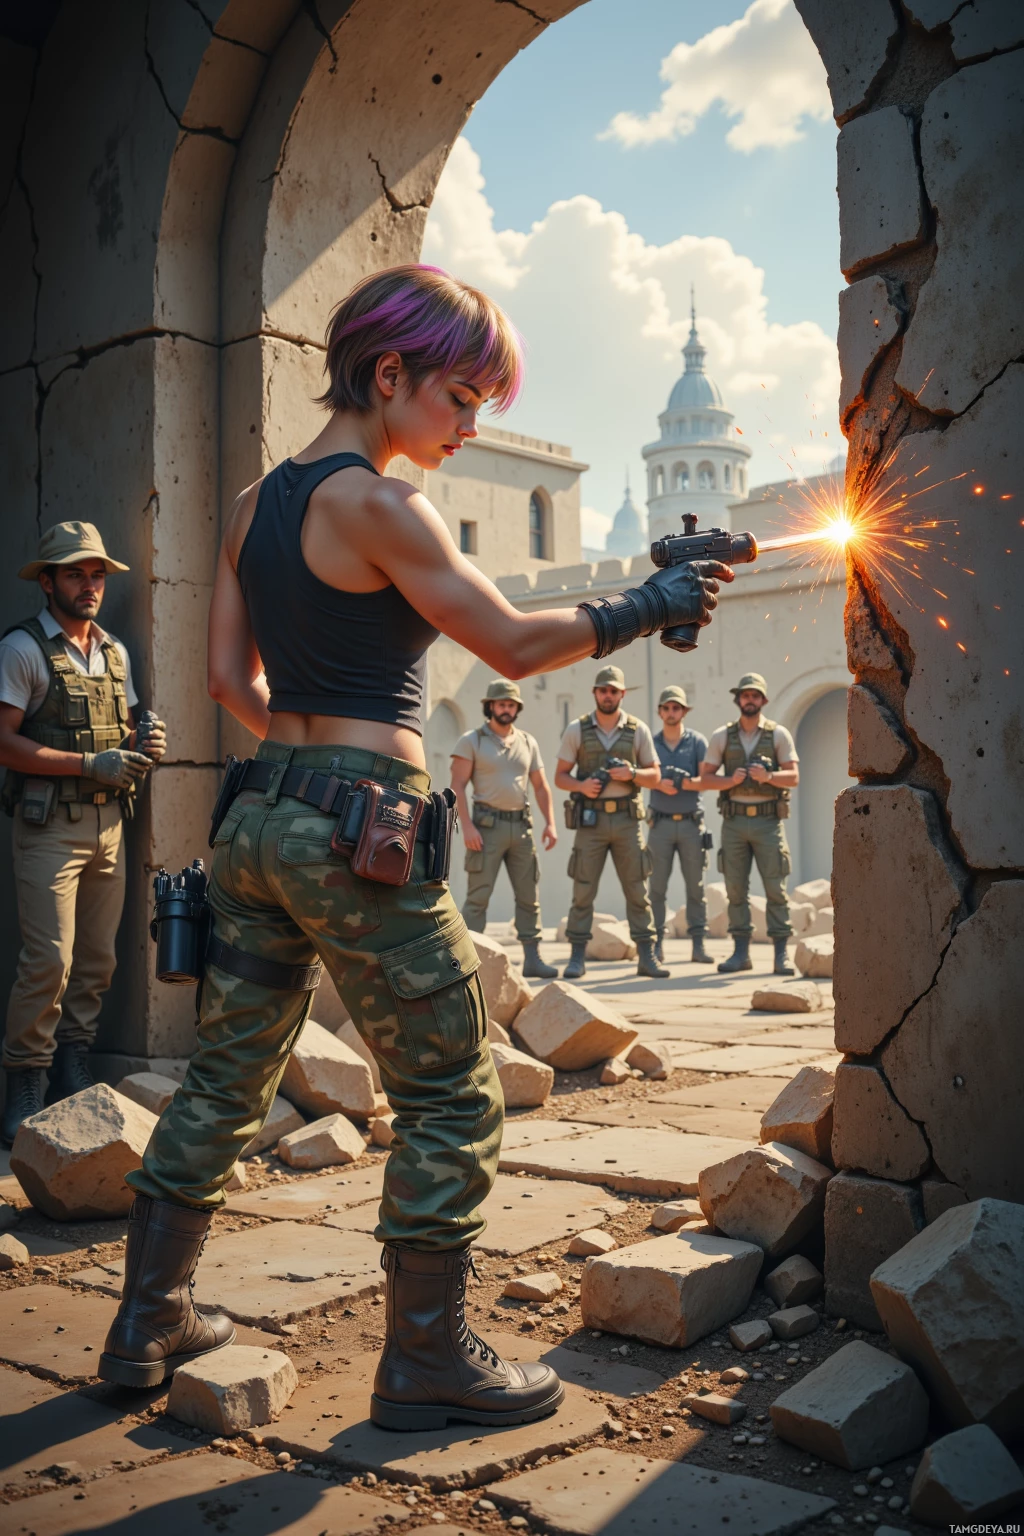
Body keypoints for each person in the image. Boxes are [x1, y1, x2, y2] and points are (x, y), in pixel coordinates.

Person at [99, 265, 730, 1424]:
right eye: (461, 395)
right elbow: (509, 644)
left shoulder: (254, 503)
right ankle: (427, 1361)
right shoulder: (383, 504)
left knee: (228, 1075)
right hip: (355, 828)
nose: (471, 424)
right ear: (386, 373)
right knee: (450, 1090)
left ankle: (146, 1323)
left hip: (256, 819)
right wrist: (650, 601)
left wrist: (300, 767)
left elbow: (224, 681)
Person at [0, 523, 165, 1147]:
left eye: (97, 574)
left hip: (107, 828)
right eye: (75, 573)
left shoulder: (114, 653)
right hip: (49, 830)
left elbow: (121, 734)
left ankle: (74, 1067)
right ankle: (25, 1083)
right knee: (50, 962)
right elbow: (3, 742)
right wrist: (83, 764)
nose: (90, 585)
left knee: (97, 962)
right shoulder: (22, 650)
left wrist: (143, 743)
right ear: (47, 582)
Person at [554, 666, 668, 981]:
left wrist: (631, 774)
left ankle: (647, 956)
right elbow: (560, 776)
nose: (608, 695)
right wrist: (581, 786)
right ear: (595, 693)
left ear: (622, 694)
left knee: (636, 889)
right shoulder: (577, 729)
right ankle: (577, 957)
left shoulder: (638, 729)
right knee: (583, 889)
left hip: (627, 821)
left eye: (613, 690)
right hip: (590, 821)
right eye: (603, 690)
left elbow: (655, 776)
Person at [451, 679, 558, 979]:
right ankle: (466, 961)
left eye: (511, 704)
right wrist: (467, 826)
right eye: (501, 704)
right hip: (485, 828)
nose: (506, 709)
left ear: (517, 709)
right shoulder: (472, 740)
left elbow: (540, 786)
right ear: (490, 706)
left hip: (521, 828)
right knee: (478, 897)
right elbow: (457, 786)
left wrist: (550, 822)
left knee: (528, 895)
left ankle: (533, 957)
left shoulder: (527, 741)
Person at [700, 673, 800, 975]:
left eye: (755, 696)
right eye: (746, 695)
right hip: (734, 822)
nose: (750, 700)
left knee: (775, 888)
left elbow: (793, 777)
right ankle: (740, 952)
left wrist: (768, 777)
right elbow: (704, 778)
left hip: (768, 822)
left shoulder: (778, 734)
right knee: (735, 889)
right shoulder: (722, 736)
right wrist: (729, 780)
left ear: (764, 700)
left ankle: (781, 954)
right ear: (738, 699)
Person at [647, 686, 711, 965]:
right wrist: (657, 782)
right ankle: (656, 945)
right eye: (666, 708)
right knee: (656, 888)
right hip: (659, 824)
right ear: (660, 712)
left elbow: (707, 781)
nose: (671, 712)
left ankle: (698, 945)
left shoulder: (697, 742)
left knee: (696, 887)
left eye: (676, 708)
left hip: (690, 824)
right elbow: (639, 776)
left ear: (684, 711)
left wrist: (686, 783)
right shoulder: (650, 742)